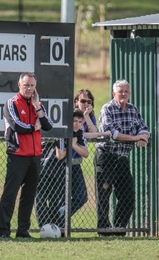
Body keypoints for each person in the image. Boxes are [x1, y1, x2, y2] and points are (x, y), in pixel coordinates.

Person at [0, 72, 53, 239]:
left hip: (35, 157)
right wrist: (34, 128)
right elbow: (16, 125)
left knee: (28, 196)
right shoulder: (11, 103)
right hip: (17, 156)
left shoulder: (38, 104)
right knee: (10, 194)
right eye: (26, 85)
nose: (29, 88)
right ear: (19, 85)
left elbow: (48, 125)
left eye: (32, 86)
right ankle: (3, 232)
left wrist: (38, 108)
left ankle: (22, 232)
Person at [94, 79, 150, 236]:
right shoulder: (107, 109)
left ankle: (118, 230)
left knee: (128, 197)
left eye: (126, 91)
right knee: (104, 196)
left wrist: (143, 137)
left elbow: (144, 128)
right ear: (114, 93)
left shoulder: (133, 109)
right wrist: (134, 138)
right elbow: (112, 134)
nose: (124, 94)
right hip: (106, 157)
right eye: (120, 91)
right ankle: (104, 231)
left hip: (122, 159)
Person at [35, 109, 89, 230]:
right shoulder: (62, 131)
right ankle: (45, 228)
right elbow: (60, 155)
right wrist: (72, 144)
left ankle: (56, 225)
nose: (77, 124)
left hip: (64, 168)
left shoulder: (79, 131)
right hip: (47, 167)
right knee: (43, 198)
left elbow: (85, 153)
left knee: (63, 199)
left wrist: (73, 144)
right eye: (75, 121)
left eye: (80, 121)